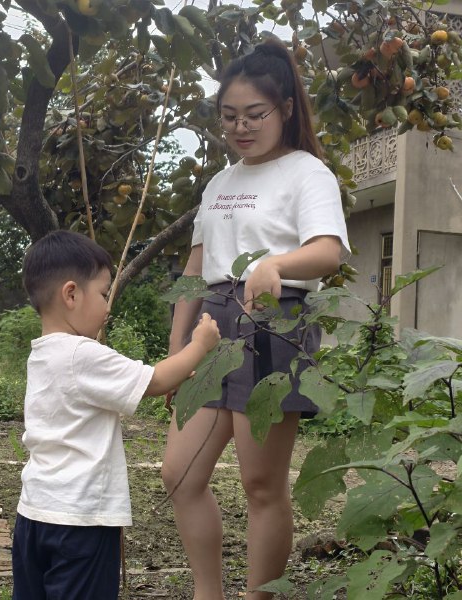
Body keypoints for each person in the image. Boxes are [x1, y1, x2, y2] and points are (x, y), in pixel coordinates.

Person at [160, 39, 350, 600]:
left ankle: (258, 597)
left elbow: (327, 252)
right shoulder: (219, 184)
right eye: (229, 116)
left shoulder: (307, 173)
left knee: (261, 485)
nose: (241, 127)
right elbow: (195, 270)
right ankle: (208, 593)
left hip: (275, 326)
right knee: (178, 474)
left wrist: (276, 264)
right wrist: (176, 352)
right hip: (212, 328)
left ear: (285, 109)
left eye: (254, 114)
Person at [11, 230, 221, 600]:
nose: (108, 307)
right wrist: (200, 345)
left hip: (33, 514)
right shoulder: (81, 354)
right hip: (81, 520)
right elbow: (155, 380)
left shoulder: (41, 354)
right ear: (71, 294)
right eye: (103, 294)